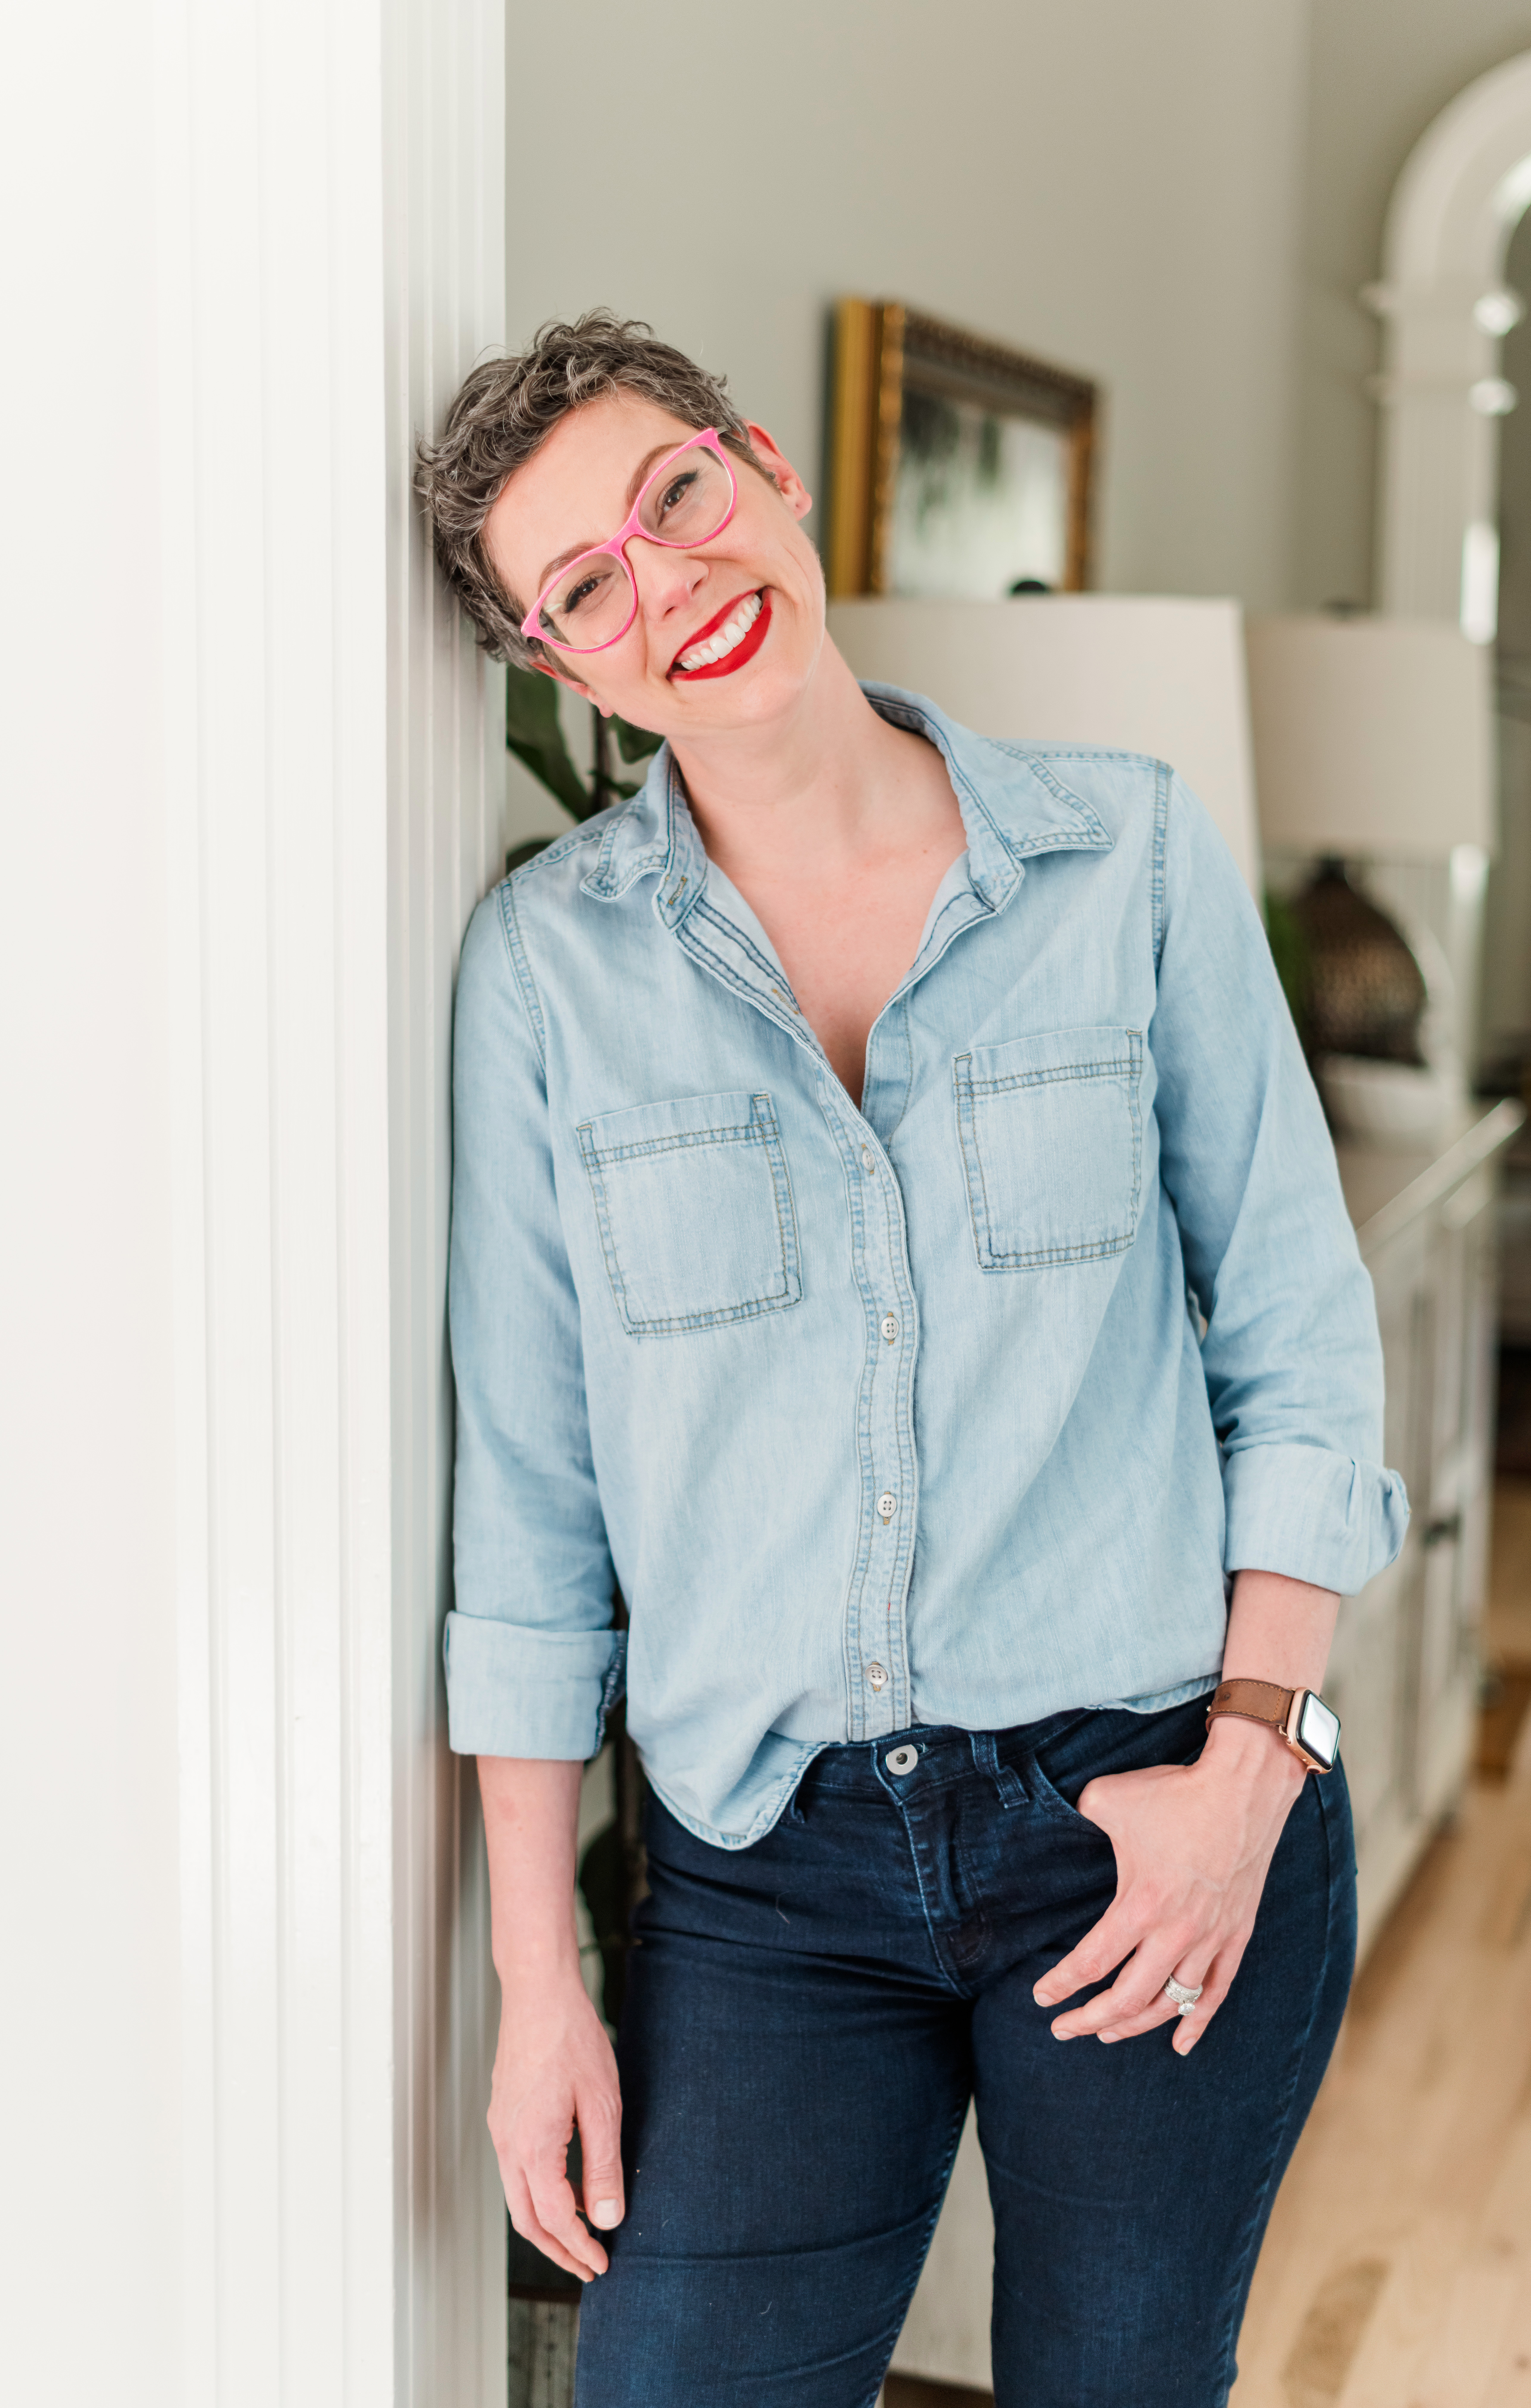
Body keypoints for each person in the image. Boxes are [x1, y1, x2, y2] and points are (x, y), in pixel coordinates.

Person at [415, 311, 1407, 2408]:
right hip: (769, 1882)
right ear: (554, 666)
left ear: (763, 467)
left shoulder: (1126, 859)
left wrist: (1252, 1763)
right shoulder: (544, 977)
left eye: (676, 496)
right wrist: (538, 1982)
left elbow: (1304, 1343)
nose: (665, 581)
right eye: (584, 586)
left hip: (1142, 1805)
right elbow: (527, 1506)